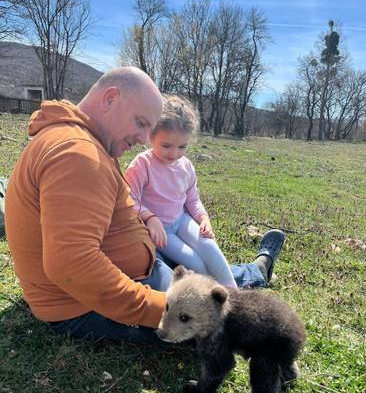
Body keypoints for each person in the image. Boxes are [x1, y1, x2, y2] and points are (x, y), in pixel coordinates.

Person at [4, 67, 285, 344]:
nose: (142, 139)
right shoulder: (78, 154)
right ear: (110, 98)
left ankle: (254, 272)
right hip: (82, 306)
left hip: (135, 273)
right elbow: (73, 265)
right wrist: (164, 309)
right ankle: (252, 277)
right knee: (212, 323)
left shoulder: (82, 141)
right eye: (140, 123)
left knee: (197, 277)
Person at [125, 94, 236, 288]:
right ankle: (217, 297)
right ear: (151, 135)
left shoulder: (186, 166)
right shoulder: (142, 165)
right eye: (166, 145)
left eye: (182, 146)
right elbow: (129, 199)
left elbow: (192, 198)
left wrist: (203, 218)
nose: (174, 153)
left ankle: (235, 294)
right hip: (162, 232)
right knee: (196, 263)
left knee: (210, 247)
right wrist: (150, 218)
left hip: (182, 220)